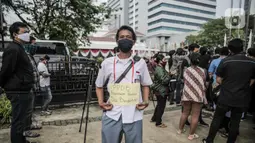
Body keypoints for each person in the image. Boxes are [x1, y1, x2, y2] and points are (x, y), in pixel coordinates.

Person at [95, 25, 152, 143]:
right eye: (122, 37)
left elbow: (145, 84)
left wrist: (146, 101)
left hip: (134, 115)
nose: (125, 39)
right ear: (117, 41)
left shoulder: (141, 63)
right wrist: (101, 102)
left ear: (133, 41)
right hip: (112, 114)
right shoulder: (107, 63)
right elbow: (99, 85)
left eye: (128, 37)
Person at [203, 38, 255, 143]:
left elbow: (218, 79)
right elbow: (252, 80)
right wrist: (242, 86)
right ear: (242, 48)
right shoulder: (252, 62)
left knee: (217, 119)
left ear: (230, 49)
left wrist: (228, 85)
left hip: (225, 96)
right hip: (241, 98)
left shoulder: (226, 61)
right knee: (235, 123)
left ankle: (209, 141)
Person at [0, 22, 35, 143]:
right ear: (15, 34)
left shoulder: (19, 48)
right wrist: (4, 85)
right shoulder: (13, 49)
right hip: (17, 90)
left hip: (22, 89)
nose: (27, 34)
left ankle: (22, 140)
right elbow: (6, 70)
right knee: (18, 121)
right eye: (24, 32)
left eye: (27, 32)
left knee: (22, 120)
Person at [178, 53, 207, 140]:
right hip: (197, 95)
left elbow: (183, 80)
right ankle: (191, 135)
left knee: (185, 113)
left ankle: (180, 130)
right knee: (195, 115)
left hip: (187, 94)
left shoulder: (186, 70)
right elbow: (204, 82)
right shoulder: (203, 70)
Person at [23, 36, 41, 138]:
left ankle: (28, 126)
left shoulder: (30, 56)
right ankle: (26, 130)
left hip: (32, 88)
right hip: (28, 88)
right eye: (33, 44)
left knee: (30, 109)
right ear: (27, 44)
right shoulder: (25, 56)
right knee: (27, 110)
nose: (35, 46)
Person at [151, 54, 170, 128]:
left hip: (160, 90)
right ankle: (158, 122)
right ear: (160, 61)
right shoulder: (159, 69)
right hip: (161, 90)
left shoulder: (160, 68)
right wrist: (169, 76)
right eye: (164, 59)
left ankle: (154, 118)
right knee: (161, 106)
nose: (165, 61)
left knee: (159, 105)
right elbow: (164, 80)